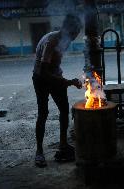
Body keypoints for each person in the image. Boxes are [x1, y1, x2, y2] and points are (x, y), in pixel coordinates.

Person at [32, 13, 83, 167]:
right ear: (66, 30)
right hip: (41, 78)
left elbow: (54, 67)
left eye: (76, 35)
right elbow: (44, 72)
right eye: (73, 34)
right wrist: (68, 82)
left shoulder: (65, 40)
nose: (74, 38)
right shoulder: (51, 41)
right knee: (43, 113)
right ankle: (39, 152)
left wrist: (62, 81)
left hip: (54, 74)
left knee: (63, 109)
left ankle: (63, 144)